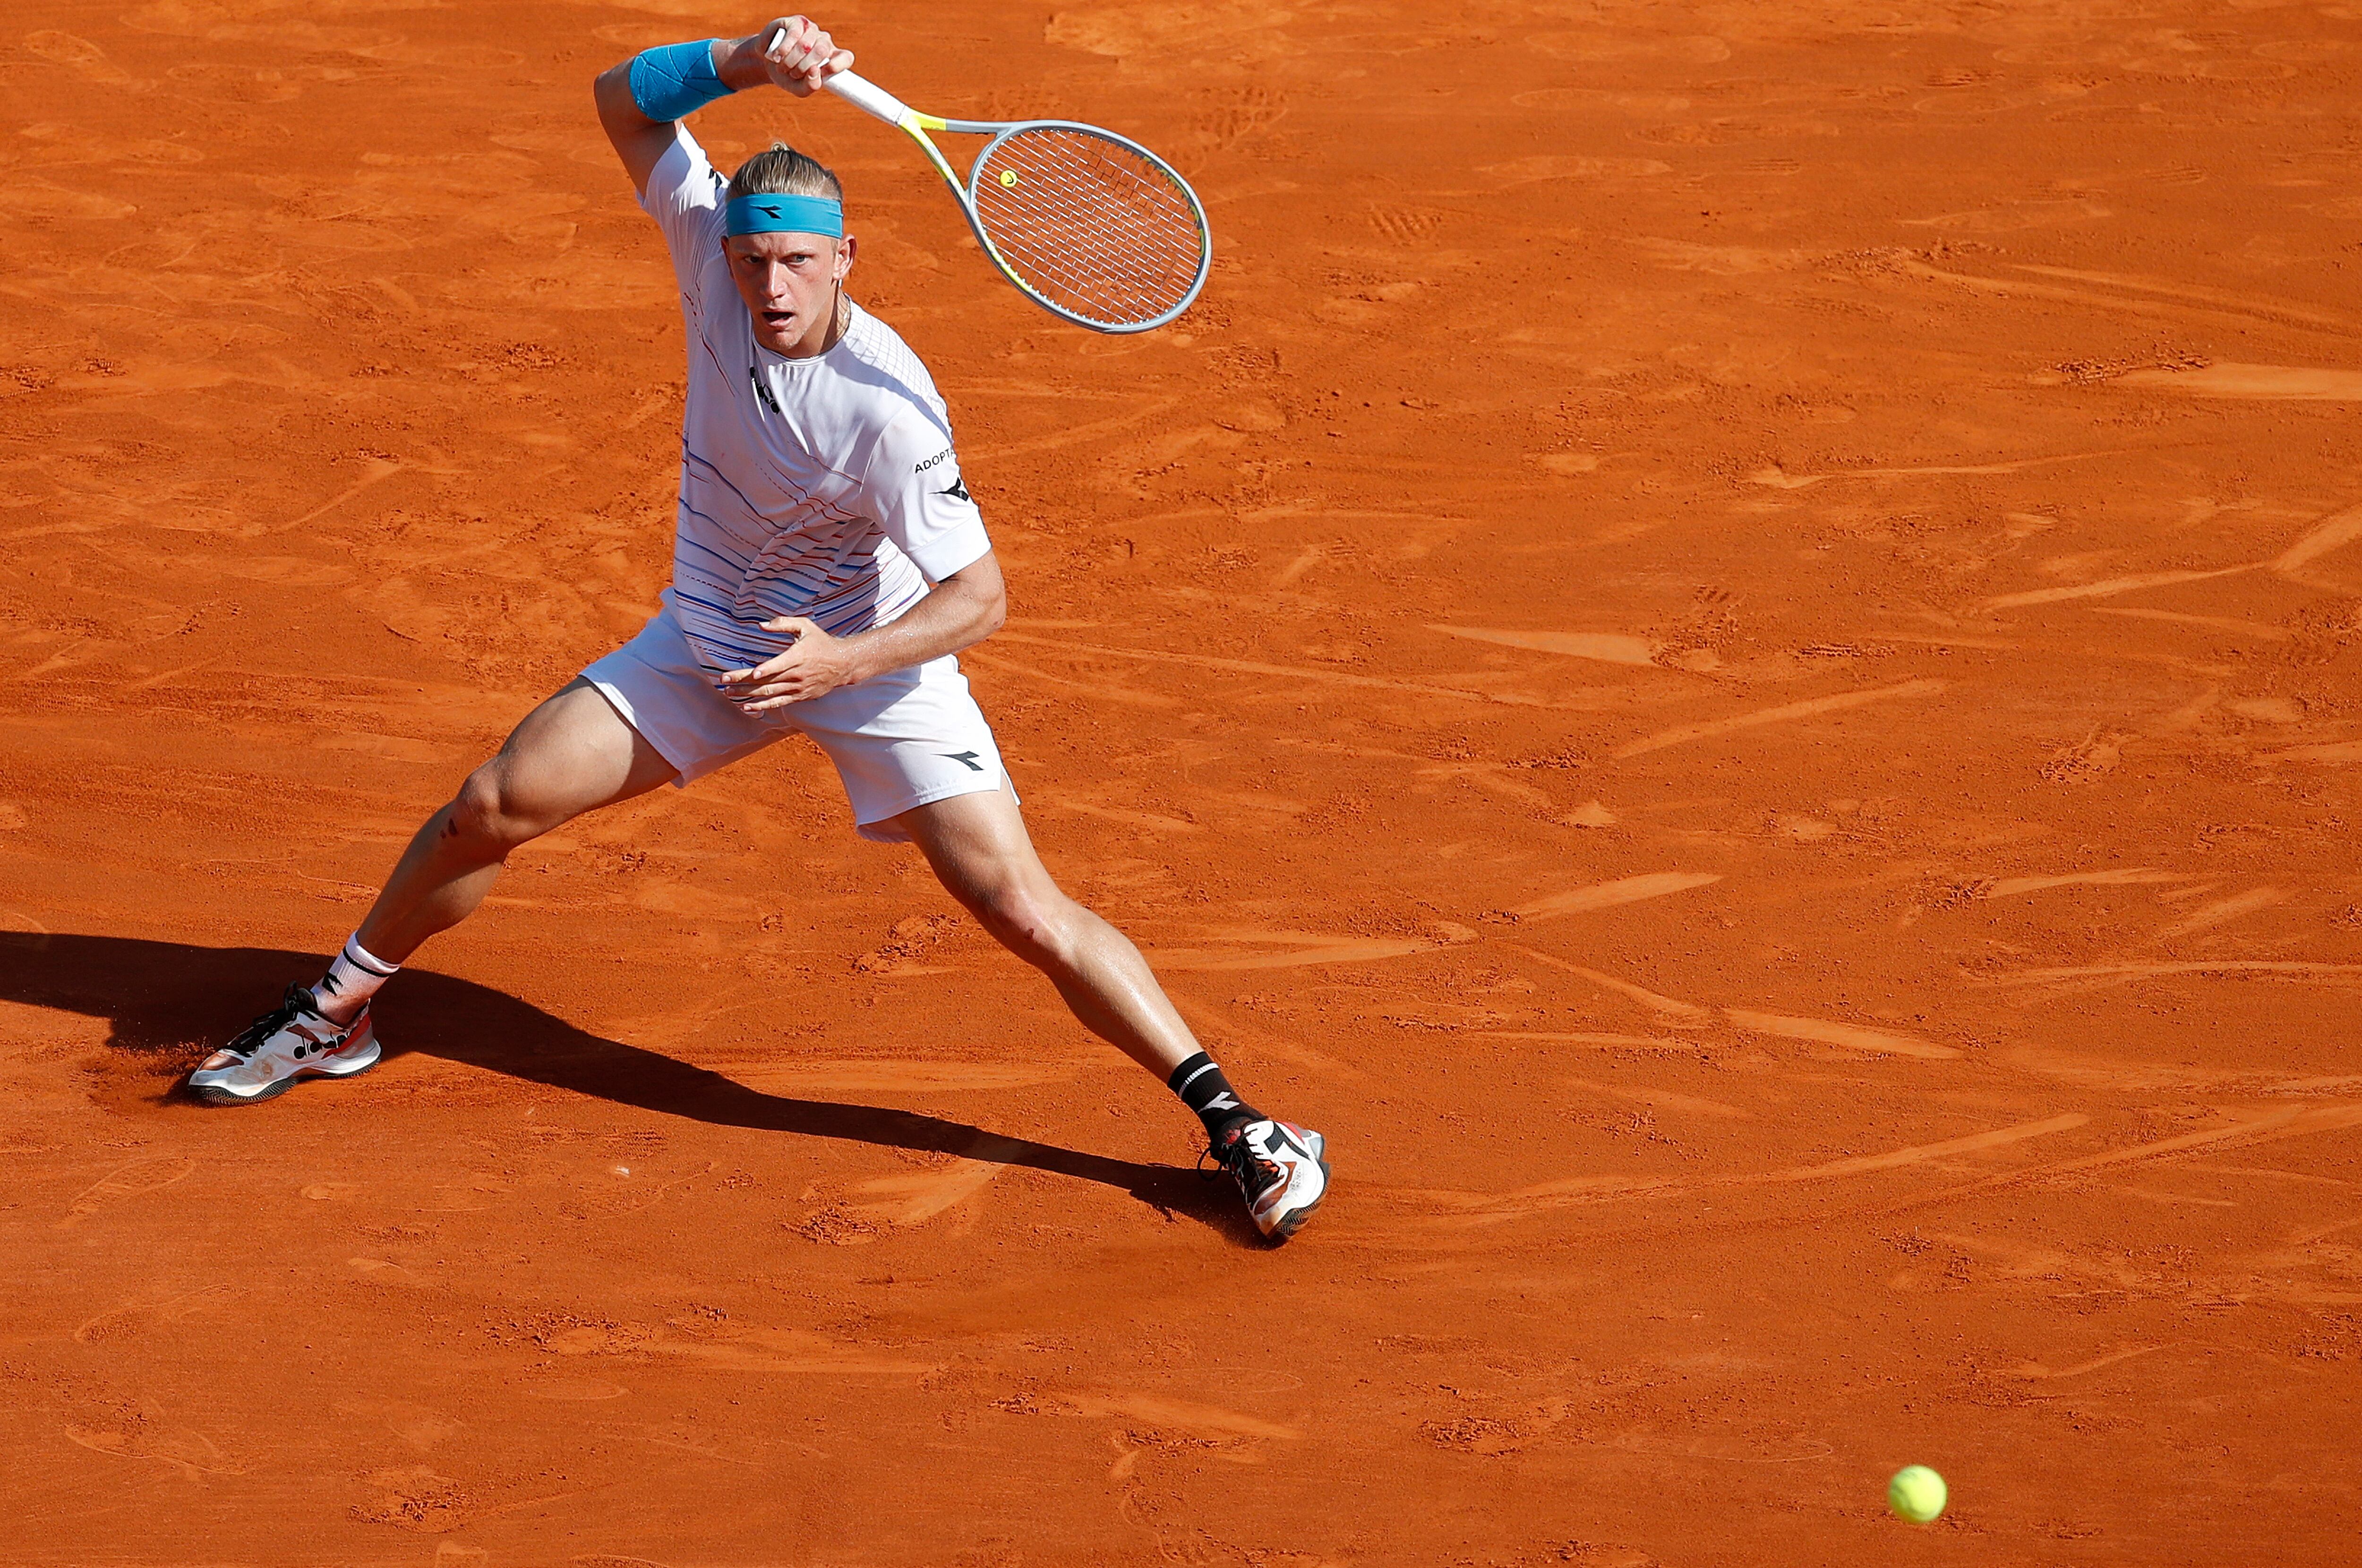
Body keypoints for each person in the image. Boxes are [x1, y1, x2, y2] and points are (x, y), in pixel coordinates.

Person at [185, 16, 1329, 1241]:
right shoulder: (710, 249)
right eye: (750, 261)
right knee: (492, 801)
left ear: (846, 258)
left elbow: (979, 599)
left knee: (1022, 909)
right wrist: (747, 56)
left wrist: (845, 659)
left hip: (873, 656)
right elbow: (621, 98)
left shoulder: (892, 413)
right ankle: (338, 1011)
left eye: (794, 262)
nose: (768, 288)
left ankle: (1243, 1128)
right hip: (716, 640)